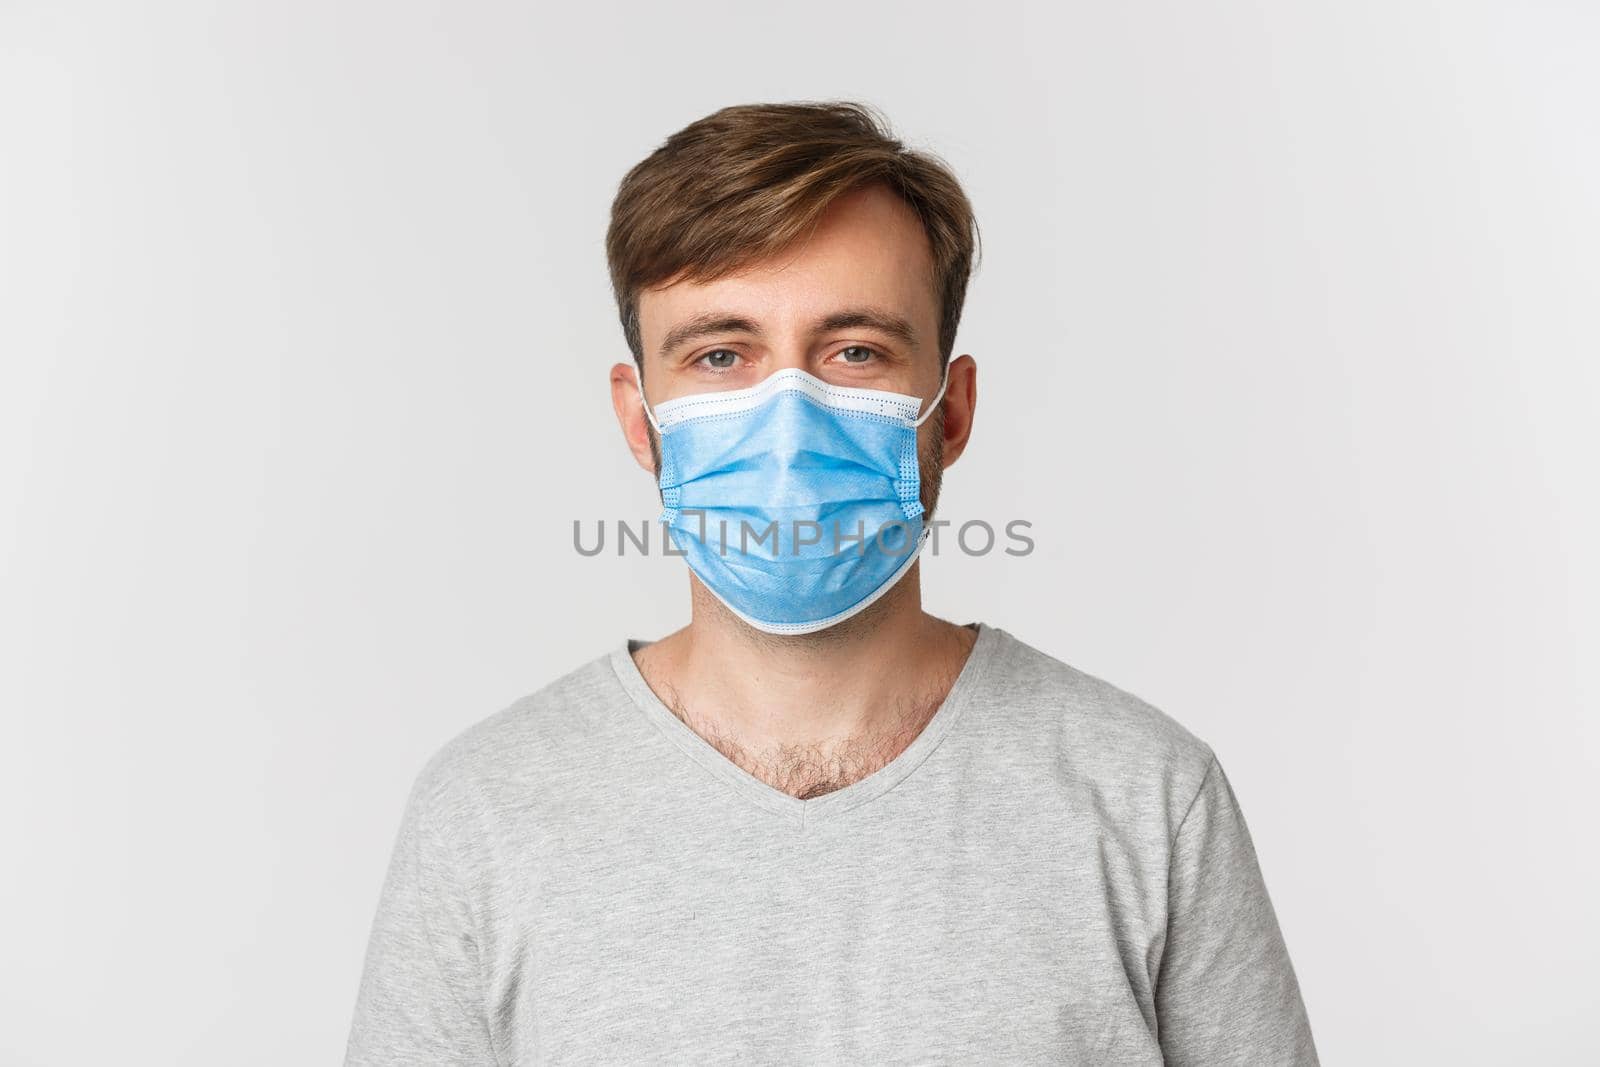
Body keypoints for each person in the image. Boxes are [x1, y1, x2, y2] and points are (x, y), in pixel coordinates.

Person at [345, 101, 1318, 1065]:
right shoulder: (485, 810)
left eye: (855, 351)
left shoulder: (1145, 795)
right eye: (720, 355)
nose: (788, 416)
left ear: (952, 408)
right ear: (639, 418)